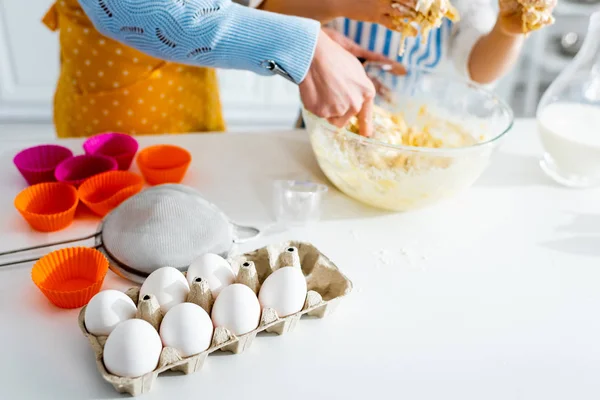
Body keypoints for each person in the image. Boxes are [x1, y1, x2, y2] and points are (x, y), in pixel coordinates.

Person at [45, 0, 376, 138]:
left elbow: (237, 9)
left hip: (193, 89)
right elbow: (135, 11)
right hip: (117, 92)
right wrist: (305, 46)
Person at [257, 0, 556, 85]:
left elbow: (478, 70)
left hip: (410, 131)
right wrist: (343, 4)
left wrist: (509, 31)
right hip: (323, 121)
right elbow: (265, 15)